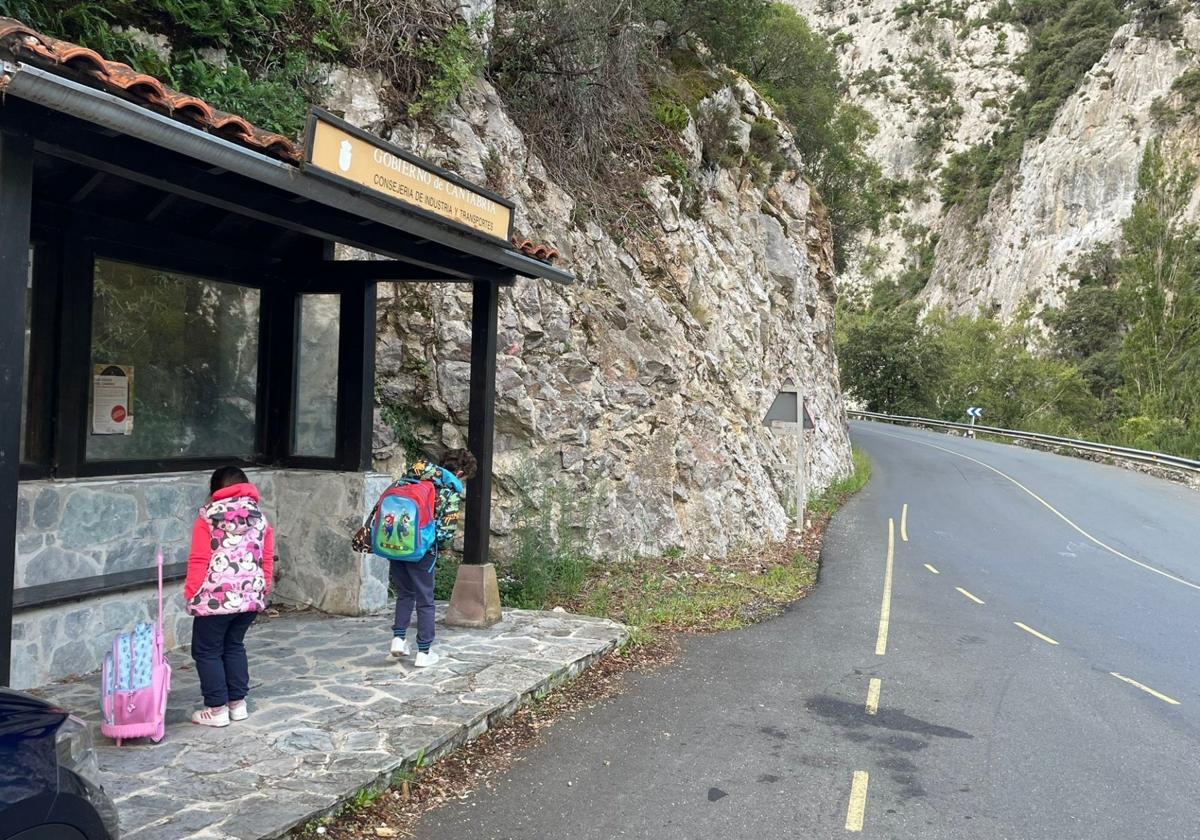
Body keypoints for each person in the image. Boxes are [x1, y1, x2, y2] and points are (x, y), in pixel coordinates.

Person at [184, 466, 274, 728]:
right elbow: (265, 557)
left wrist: (191, 592)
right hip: (249, 598)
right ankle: (237, 704)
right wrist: (264, 587)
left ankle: (216, 709)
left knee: (206, 650)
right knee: (233, 645)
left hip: (214, 598)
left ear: (214, 490)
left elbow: (199, 559)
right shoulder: (260, 519)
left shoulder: (207, 518)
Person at [389, 449, 477, 667]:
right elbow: (445, 532)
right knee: (425, 601)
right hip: (423, 550)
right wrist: (437, 545)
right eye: (464, 478)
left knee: (404, 594)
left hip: (396, 544)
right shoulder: (449, 490)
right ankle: (423, 652)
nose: (463, 482)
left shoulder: (409, 478)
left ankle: (398, 639)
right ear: (459, 472)